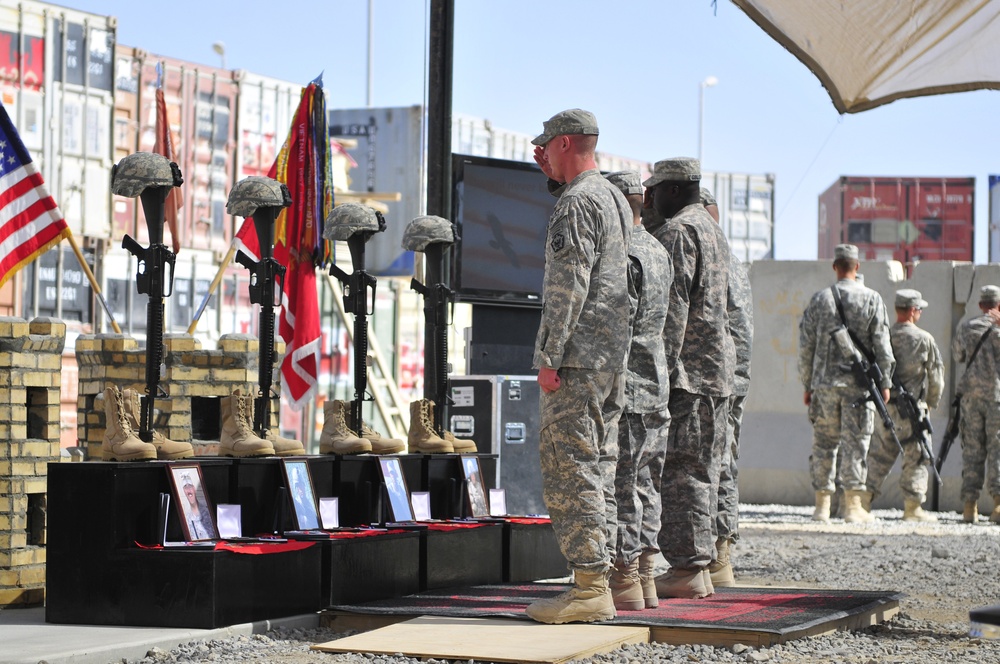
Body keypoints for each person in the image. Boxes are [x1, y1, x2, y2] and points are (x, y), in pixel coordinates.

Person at [524, 108, 631, 624]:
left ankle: (589, 588)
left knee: (572, 468)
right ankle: (598, 580)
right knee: (599, 467)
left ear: (567, 143)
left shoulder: (577, 201)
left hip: (578, 358)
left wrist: (549, 357)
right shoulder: (611, 195)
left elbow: (568, 287)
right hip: (610, 357)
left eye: (546, 145)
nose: (541, 154)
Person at [643, 158, 734, 600]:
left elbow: (672, 309)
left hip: (688, 374)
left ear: (673, 190)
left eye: (655, 190)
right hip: (715, 371)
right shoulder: (713, 229)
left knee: (682, 472)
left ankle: (688, 569)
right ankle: (702, 563)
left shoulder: (680, 231)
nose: (651, 199)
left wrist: (656, 370)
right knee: (703, 468)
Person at [602, 171, 671, 611]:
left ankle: (625, 577)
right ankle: (644, 575)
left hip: (628, 385)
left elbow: (616, 327)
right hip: (657, 384)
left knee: (623, 485)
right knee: (647, 485)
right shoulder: (659, 250)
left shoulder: (622, 250)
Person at [798, 244, 894, 524]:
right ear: (857, 267)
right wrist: (885, 381)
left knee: (824, 443)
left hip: (824, 385)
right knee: (856, 443)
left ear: (835, 266)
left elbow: (806, 346)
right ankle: (853, 507)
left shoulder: (820, 300)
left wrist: (808, 384)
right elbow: (882, 345)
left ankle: (822, 507)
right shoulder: (872, 299)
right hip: (859, 388)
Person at [704, 187, 754, 588]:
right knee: (723, 466)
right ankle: (720, 558)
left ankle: (714, 559)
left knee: (708, 467)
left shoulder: (710, 261)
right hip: (732, 378)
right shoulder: (734, 263)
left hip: (712, 379)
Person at [864, 289, 944, 522]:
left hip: (888, 407)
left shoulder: (884, 336)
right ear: (911, 311)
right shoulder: (924, 339)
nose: (919, 312)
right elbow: (936, 376)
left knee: (880, 454)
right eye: (918, 308)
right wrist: (930, 403)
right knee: (917, 455)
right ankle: (912, 508)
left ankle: (862, 500)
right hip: (912, 409)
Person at [952, 285, 1000, 524]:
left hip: (970, 397)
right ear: (998, 305)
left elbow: (957, 355)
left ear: (981, 305)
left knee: (972, 450)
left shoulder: (967, 327)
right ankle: (998, 506)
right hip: (996, 398)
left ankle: (970, 507)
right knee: (997, 449)